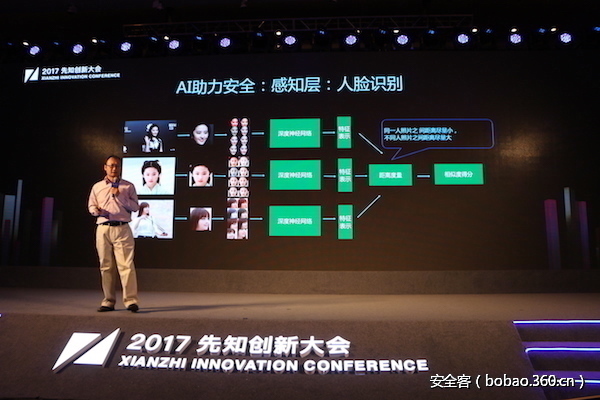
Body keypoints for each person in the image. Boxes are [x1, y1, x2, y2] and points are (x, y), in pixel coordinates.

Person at [88, 155, 140, 313]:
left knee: (126, 266)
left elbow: (135, 207)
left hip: (122, 228)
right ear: (105, 167)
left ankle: (131, 301)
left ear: (120, 167)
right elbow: (91, 205)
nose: (114, 168)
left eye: (116, 165)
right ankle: (108, 301)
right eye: (111, 165)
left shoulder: (128, 186)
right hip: (103, 227)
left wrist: (119, 196)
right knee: (105, 266)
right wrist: (95, 211)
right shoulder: (97, 187)